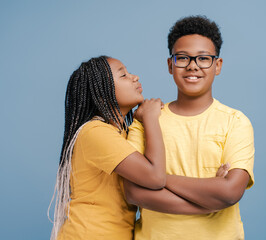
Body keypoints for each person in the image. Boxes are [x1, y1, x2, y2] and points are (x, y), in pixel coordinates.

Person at [125, 15, 255, 240]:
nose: (193, 66)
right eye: (183, 58)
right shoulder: (146, 119)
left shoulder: (235, 121)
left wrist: (156, 179)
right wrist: (209, 197)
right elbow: (133, 192)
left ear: (218, 65)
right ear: (170, 64)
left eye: (204, 58)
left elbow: (230, 192)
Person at [48, 56, 166, 240]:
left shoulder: (122, 135)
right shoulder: (95, 132)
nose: (135, 77)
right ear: (102, 93)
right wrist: (151, 117)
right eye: (123, 75)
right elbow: (156, 178)